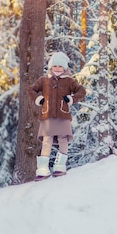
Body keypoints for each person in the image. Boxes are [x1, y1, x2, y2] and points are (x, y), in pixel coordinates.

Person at [28, 52, 86, 180]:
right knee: (47, 140)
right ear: (50, 67)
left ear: (65, 67)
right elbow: (31, 90)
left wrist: (71, 98)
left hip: (63, 115)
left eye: (60, 66)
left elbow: (82, 91)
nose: (57, 69)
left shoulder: (69, 81)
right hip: (47, 116)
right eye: (55, 66)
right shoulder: (43, 80)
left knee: (62, 139)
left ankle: (60, 167)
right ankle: (42, 170)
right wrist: (39, 99)